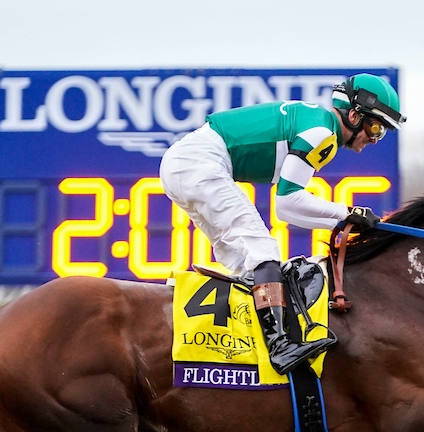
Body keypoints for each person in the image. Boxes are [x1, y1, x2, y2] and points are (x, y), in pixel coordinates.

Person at [161, 74, 405, 374]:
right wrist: (347, 212)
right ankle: (280, 345)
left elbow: (287, 210)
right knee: (263, 250)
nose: (375, 138)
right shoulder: (322, 134)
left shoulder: (319, 126)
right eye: (375, 127)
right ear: (354, 115)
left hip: (186, 163)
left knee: (245, 266)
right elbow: (288, 202)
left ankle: (247, 345)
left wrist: (343, 217)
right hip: (199, 162)